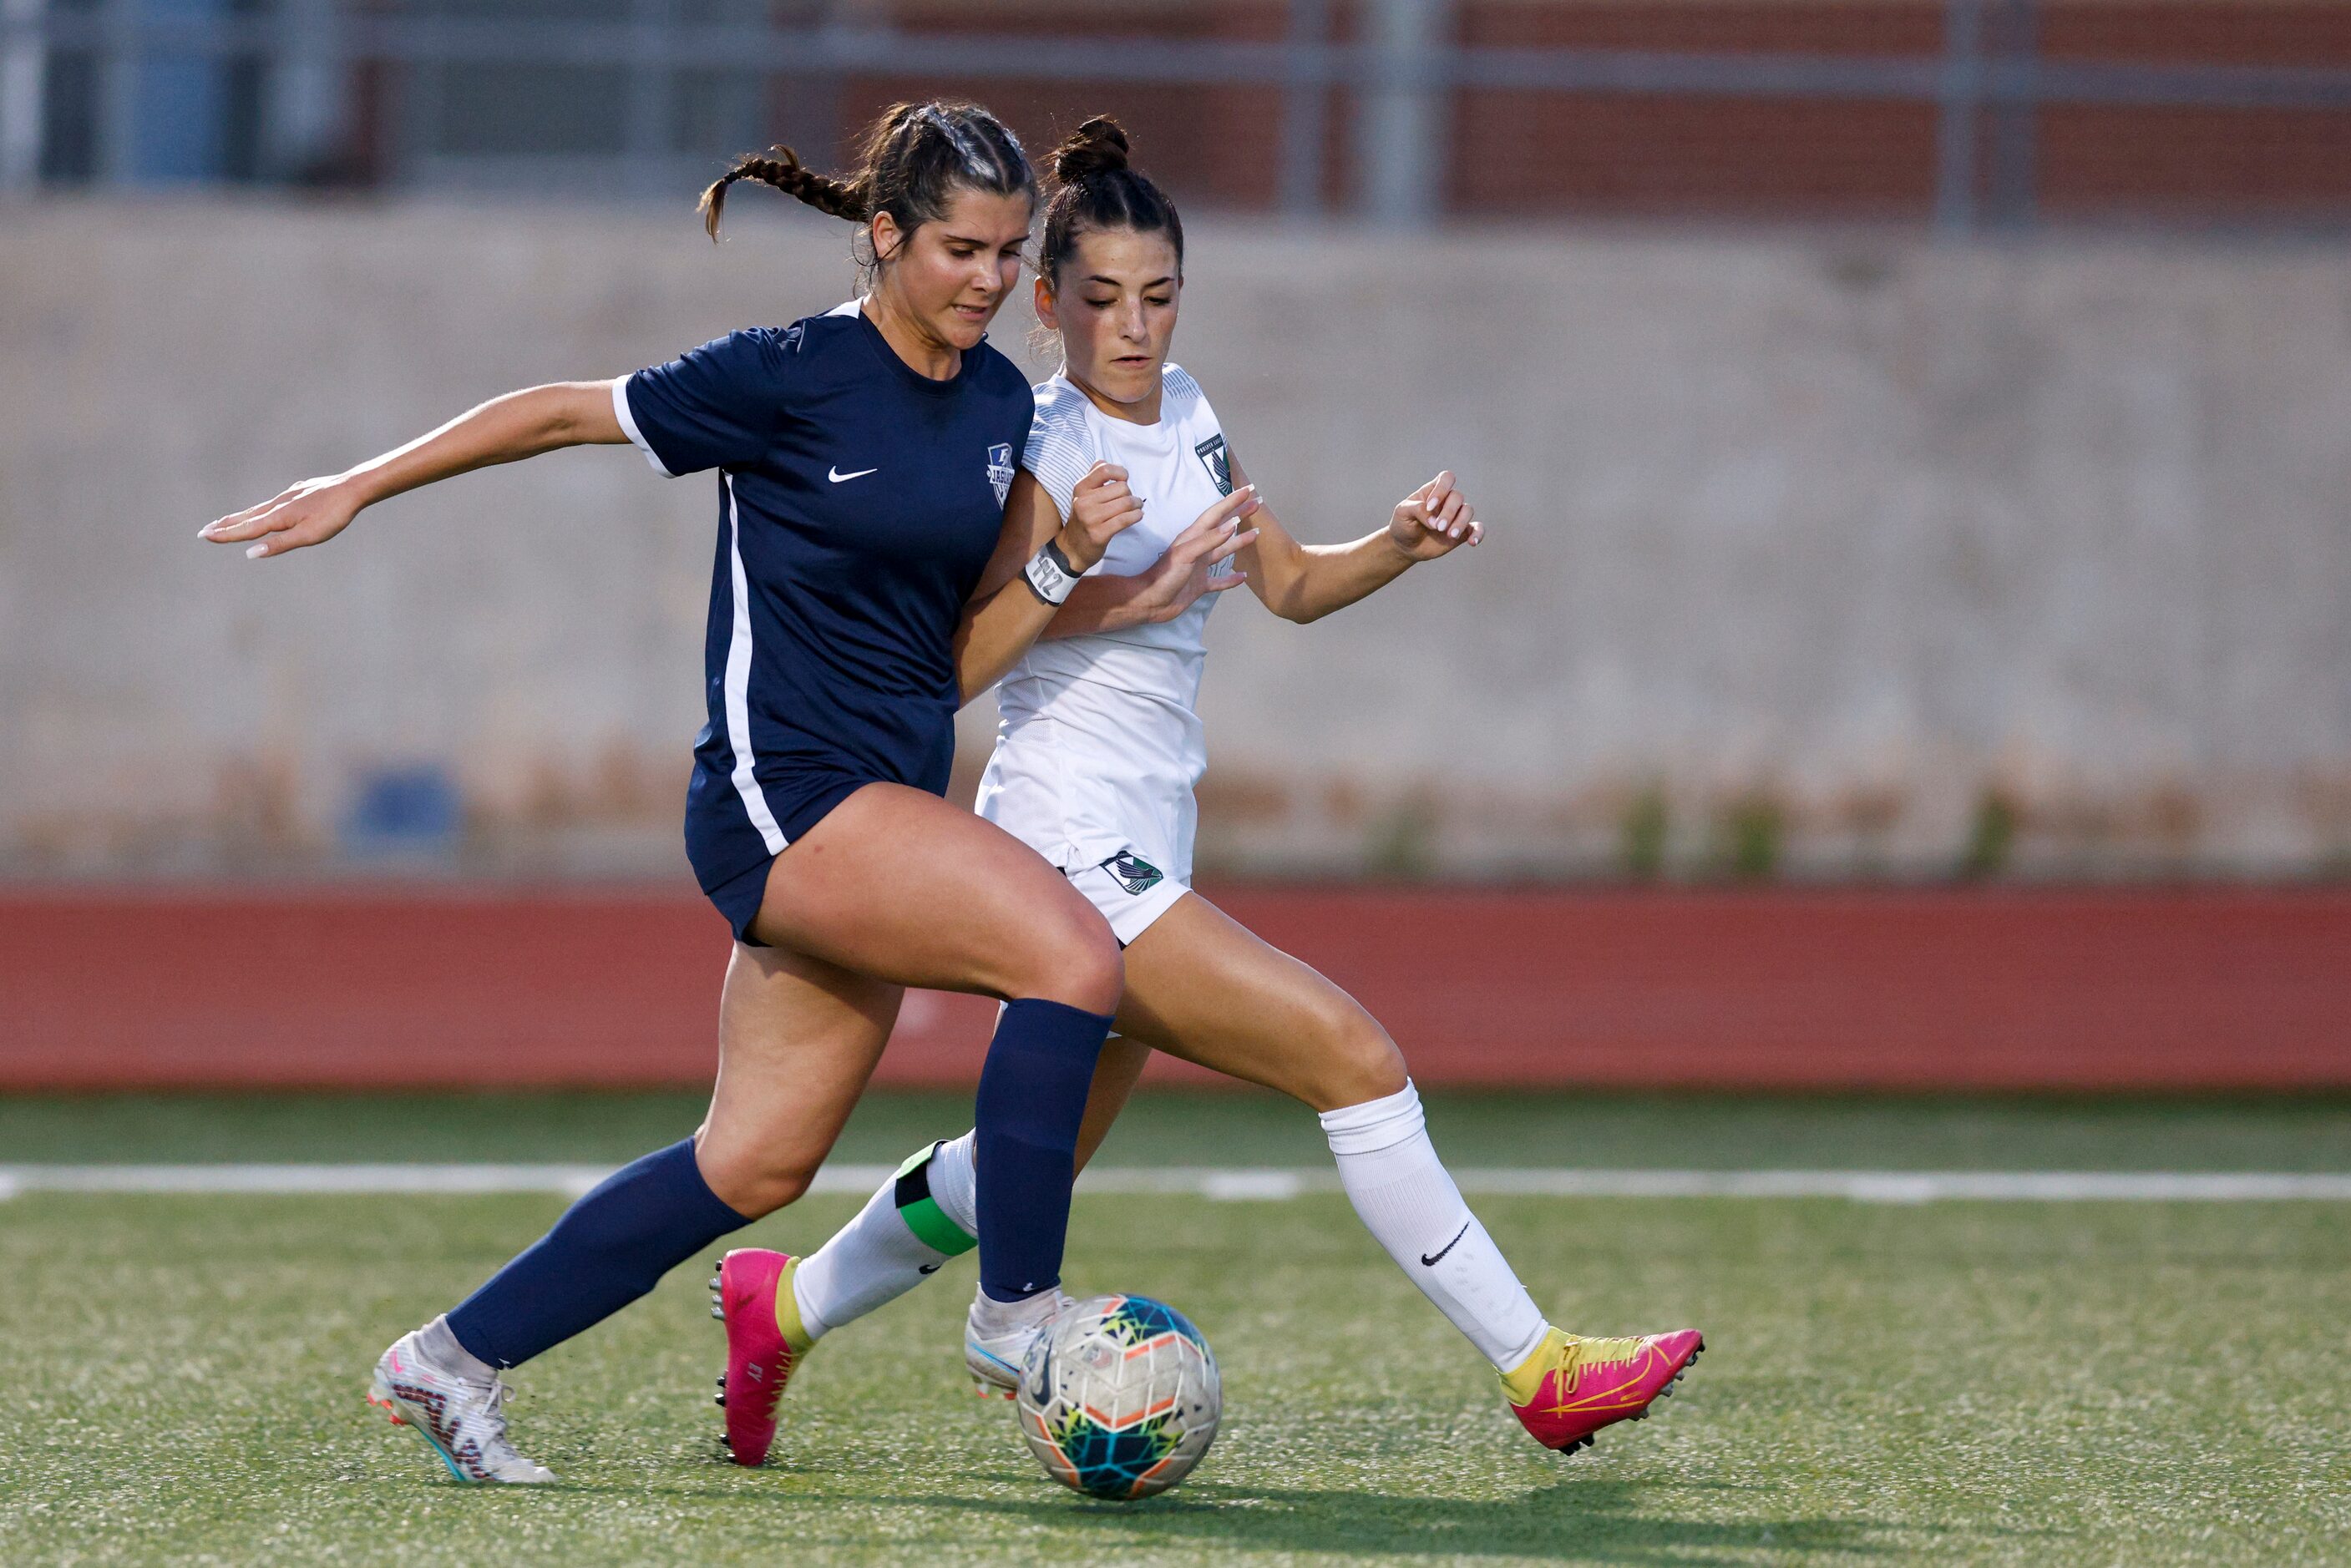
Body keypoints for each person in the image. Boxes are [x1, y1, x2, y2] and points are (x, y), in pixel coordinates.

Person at [196, 101, 1219, 1483]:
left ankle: (447, 1360)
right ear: (885, 237)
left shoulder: (994, 405)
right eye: (960, 250)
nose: (986, 280)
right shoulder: (788, 372)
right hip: (782, 798)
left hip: (889, 796)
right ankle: (1016, 1316)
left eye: (1003, 253)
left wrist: (1069, 574)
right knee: (1072, 955)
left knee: (753, 1164)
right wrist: (360, 485)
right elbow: (564, 408)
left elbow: (956, 663)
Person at [718, 119, 1704, 1459]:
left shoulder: (1191, 411)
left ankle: (781, 1303)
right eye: (1105, 299)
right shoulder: (1041, 438)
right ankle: (1540, 1366)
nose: (1135, 327)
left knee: (1032, 1160)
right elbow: (966, 638)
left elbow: (1287, 585)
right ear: (1050, 301)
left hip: (1144, 838)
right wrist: (1130, 586)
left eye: (1162, 295)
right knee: (1352, 1057)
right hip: (1063, 840)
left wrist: (1399, 548)